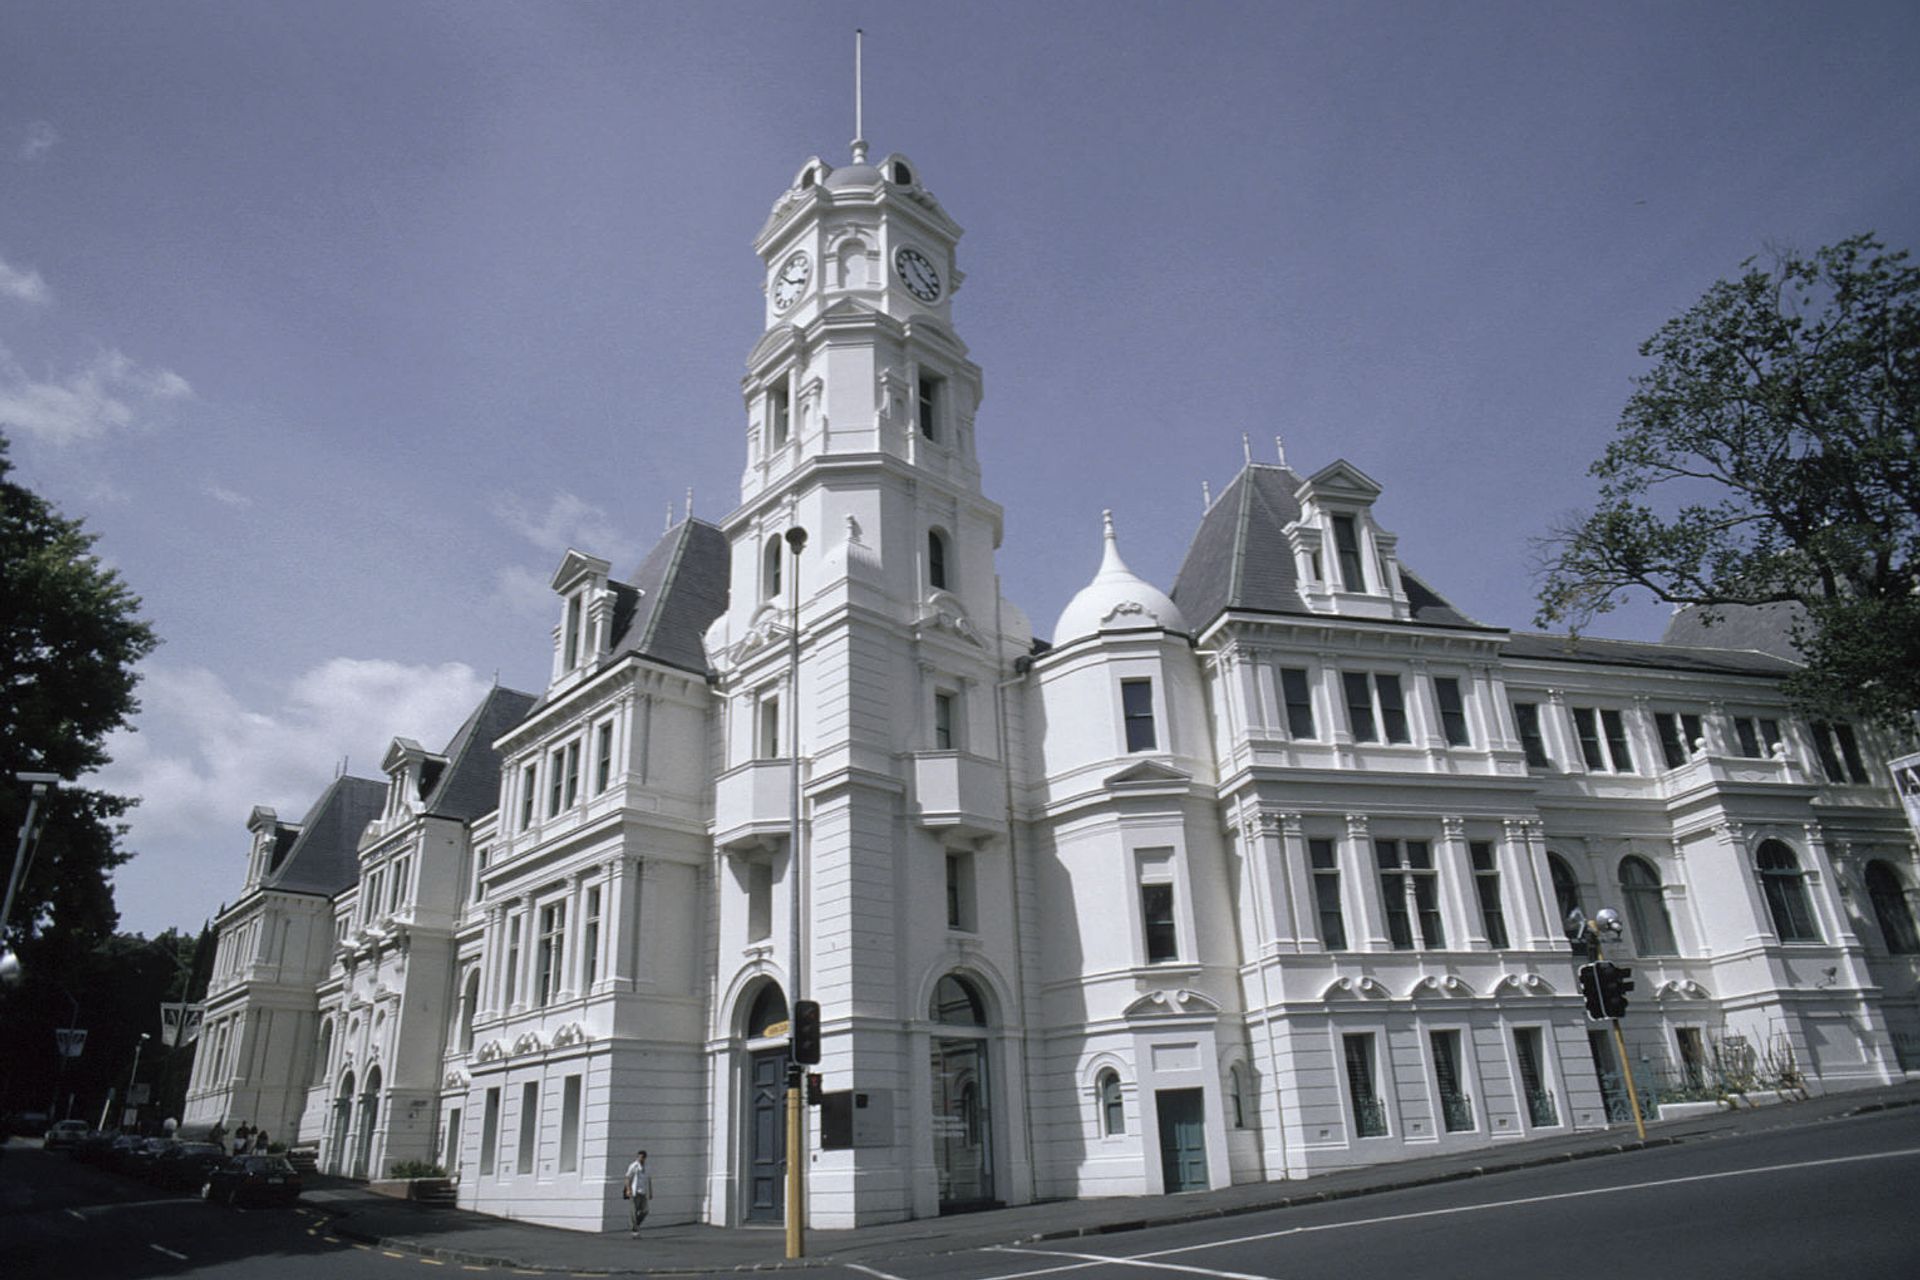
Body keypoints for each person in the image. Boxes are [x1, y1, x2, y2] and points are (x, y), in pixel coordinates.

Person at [622, 1149, 651, 1237]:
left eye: (642, 1157)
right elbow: (627, 1177)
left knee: (645, 1210)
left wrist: (650, 1192)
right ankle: (635, 1230)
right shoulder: (633, 1166)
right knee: (634, 1211)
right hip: (635, 1192)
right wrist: (628, 1189)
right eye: (639, 1157)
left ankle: (635, 1225)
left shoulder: (647, 1167)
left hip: (643, 1192)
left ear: (645, 1158)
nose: (640, 1159)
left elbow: (649, 1180)